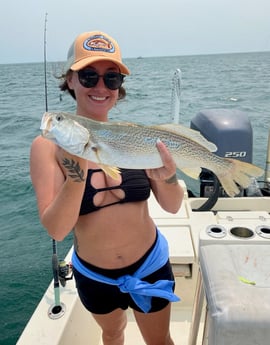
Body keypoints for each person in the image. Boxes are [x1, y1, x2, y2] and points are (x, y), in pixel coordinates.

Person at [30, 30, 184, 345]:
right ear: (70, 80)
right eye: (88, 76)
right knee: (112, 334)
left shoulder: (134, 139)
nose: (100, 87)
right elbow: (57, 230)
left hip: (149, 264)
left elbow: (172, 205)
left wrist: (166, 175)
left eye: (111, 79)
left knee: (160, 341)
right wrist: (78, 169)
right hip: (94, 275)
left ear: (118, 88)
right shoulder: (46, 147)